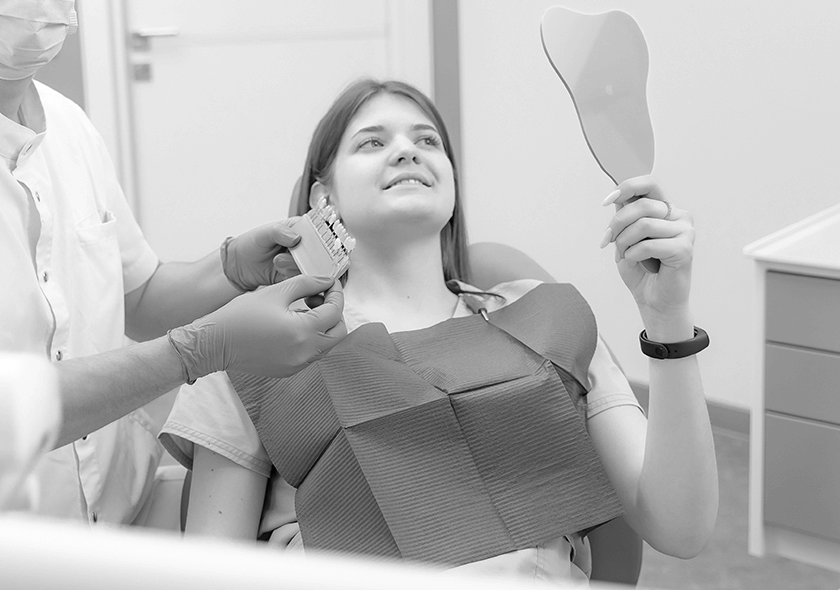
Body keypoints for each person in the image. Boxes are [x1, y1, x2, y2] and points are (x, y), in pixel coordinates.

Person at [161, 78, 717, 583]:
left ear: (451, 185)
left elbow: (680, 529)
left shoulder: (544, 317)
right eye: (372, 143)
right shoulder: (261, 348)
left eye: (427, 142)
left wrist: (666, 316)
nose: (407, 150)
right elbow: (210, 576)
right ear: (321, 198)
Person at [0, 2, 346, 525]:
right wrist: (199, 351)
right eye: (372, 141)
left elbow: (139, 297)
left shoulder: (68, 124)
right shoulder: (235, 392)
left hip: (125, 504)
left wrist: (231, 270)